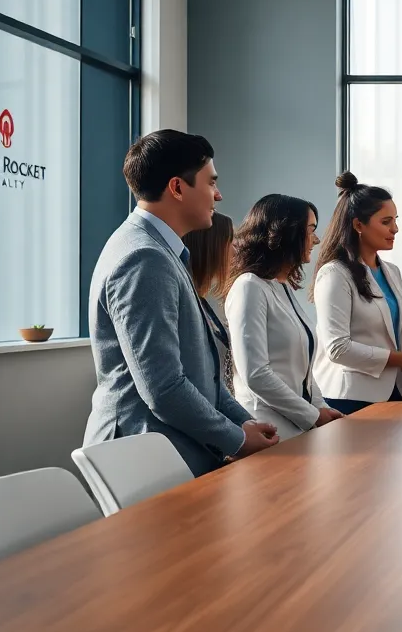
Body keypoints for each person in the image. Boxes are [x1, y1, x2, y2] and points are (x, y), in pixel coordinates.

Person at [83, 130, 278, 476]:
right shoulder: (144, 257)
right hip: (141, 457)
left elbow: (204, 376)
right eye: (211, 183)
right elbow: (164, 388)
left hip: (167, 450)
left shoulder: (163, 251)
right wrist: (236, 439)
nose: (218, 195)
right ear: (176, 188)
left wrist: (244, 424)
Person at [312, 172, 402, 414]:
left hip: (394, 392)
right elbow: (337, 348)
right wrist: (401, 359)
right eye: (386, 221)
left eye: (395, 220)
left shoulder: (392, 272)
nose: (396, 229)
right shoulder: (335, 274)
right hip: (350, 397)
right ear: (359, 225)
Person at [223, 195, 343, 440]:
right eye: (311, 230)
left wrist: (320, 407)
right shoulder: (249, 287)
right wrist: (312, 415)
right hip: (269, 427)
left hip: (296, 424)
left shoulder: (282, 286)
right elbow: (255, 374)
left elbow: (304, 370)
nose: (317, 240)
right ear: (286, 234)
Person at [182, 211, 236, 393]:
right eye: (229, 243)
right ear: (210, 248)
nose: (235, 251)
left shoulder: (202, 302)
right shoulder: (186, 303)